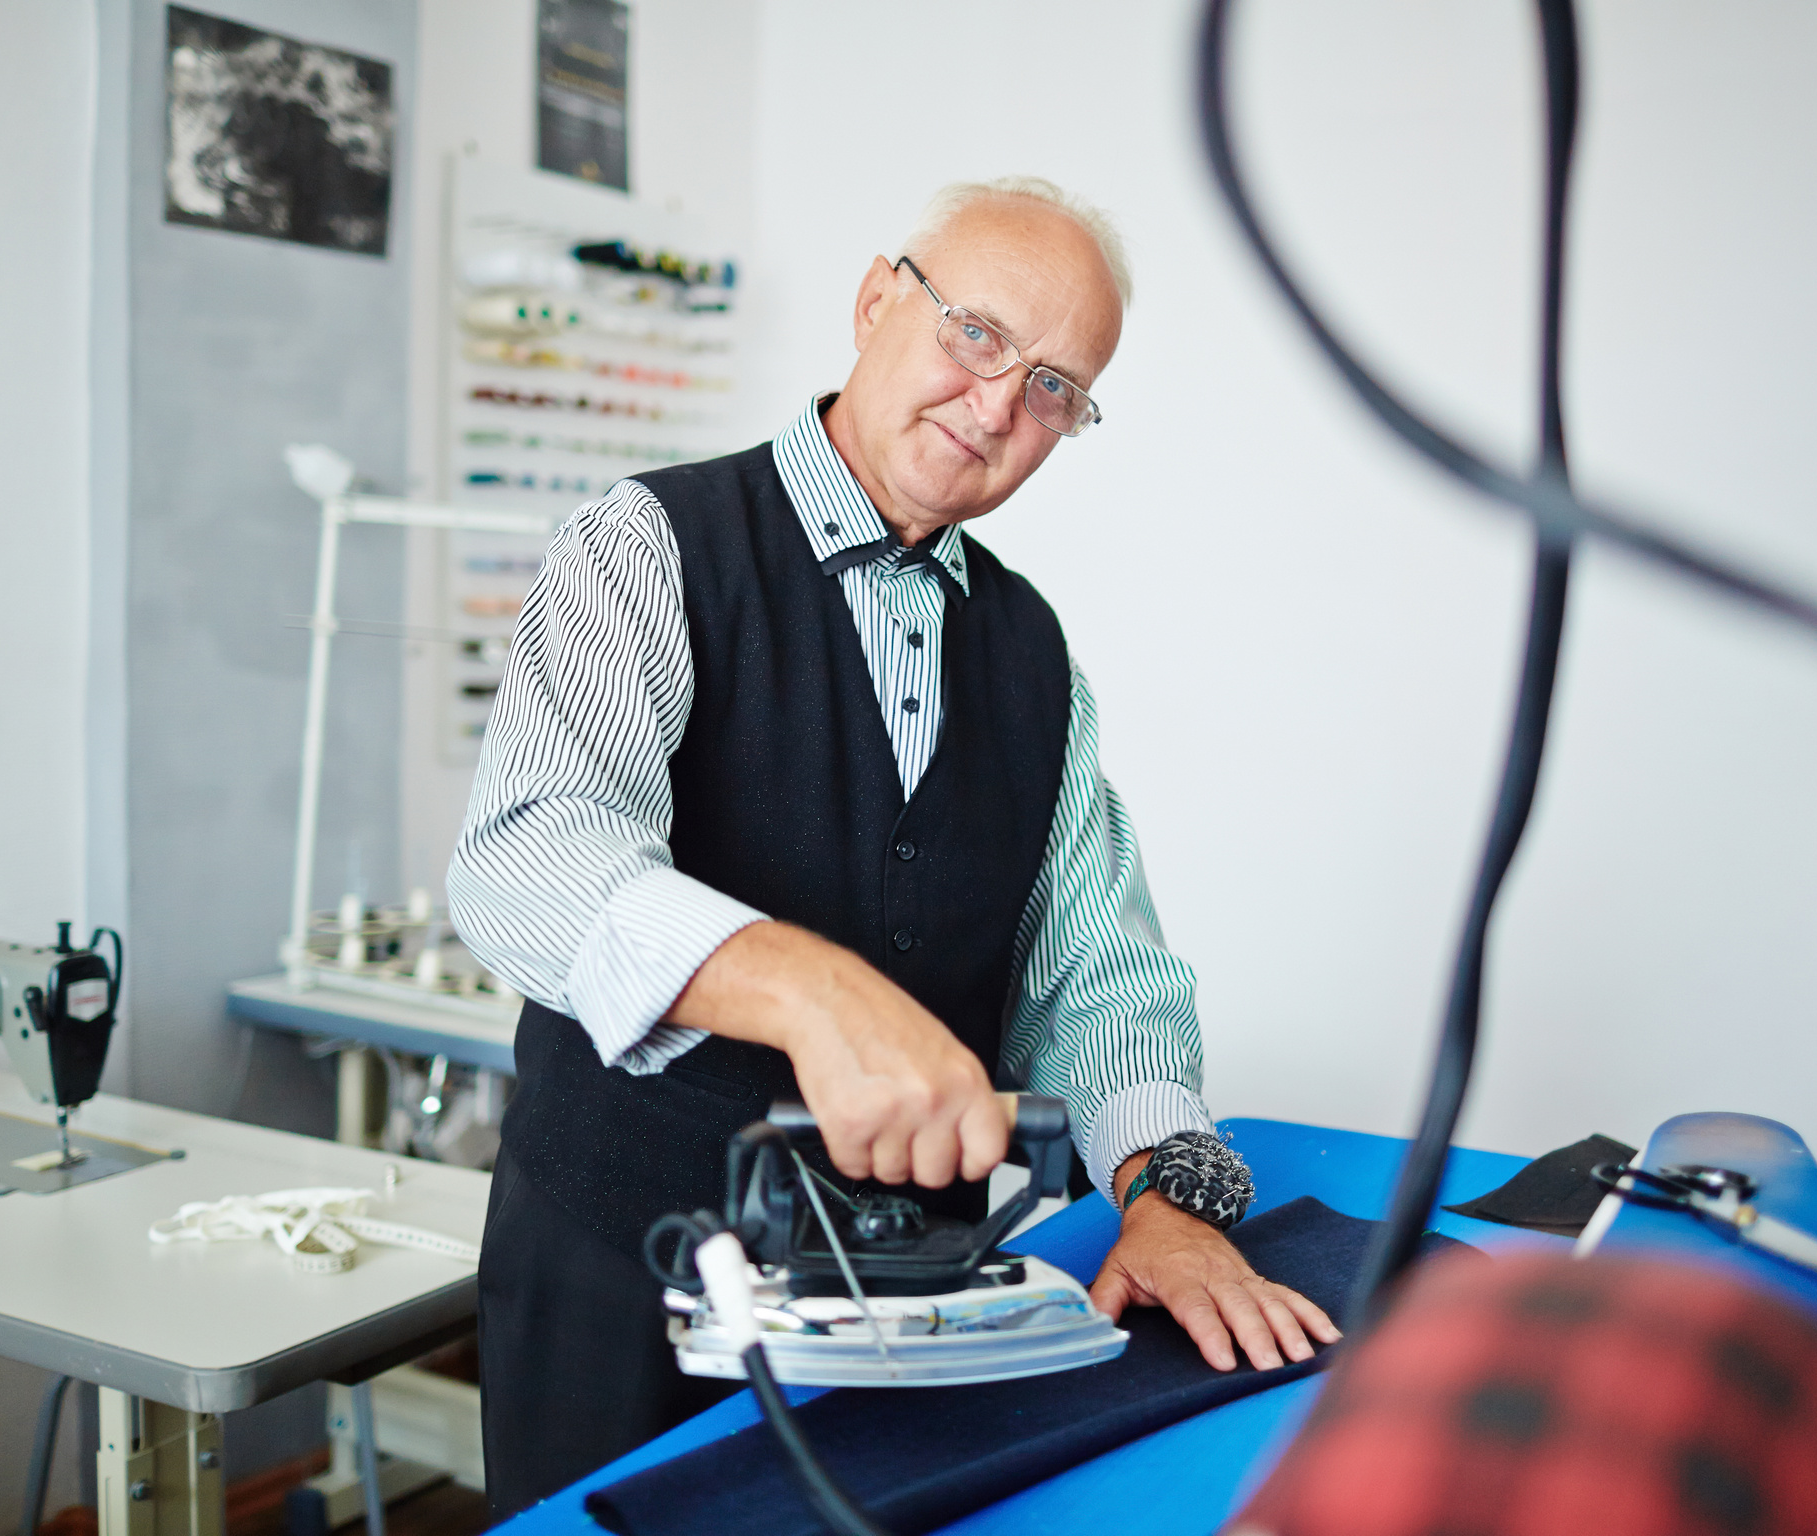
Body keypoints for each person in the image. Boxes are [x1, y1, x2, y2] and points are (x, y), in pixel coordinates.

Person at [451, 175, 1340, 1520]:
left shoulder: (1035, 655)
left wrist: (1165, 1196)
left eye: (1054, 387)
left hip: (912, 1309)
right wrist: (808, 989)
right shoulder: (649, 545)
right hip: (625, 1290)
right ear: (878, 301)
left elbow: (1098, 982)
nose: (997, 407)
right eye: (977, 336)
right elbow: (529, 853)